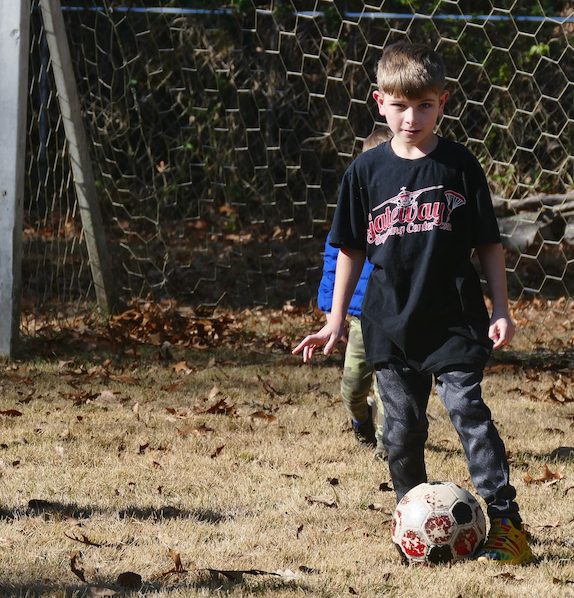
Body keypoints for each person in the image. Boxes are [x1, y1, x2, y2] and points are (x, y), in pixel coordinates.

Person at [293, 42, 533, 565]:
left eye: (424, 105)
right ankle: (414, 523)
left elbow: (488, 244)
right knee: (401, 432)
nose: (412, 116)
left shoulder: (460, 166)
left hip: (453, 319)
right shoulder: (364, 173)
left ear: (443, 102)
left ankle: (509, 525)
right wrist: (335, 320)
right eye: (400, 105)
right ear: (380, 102)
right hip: (389, 324)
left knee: (468, 412)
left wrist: (501, 308)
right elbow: (351, 248)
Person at [318, 128, 392, 460]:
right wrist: (332, 309)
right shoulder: (353, 212)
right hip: (362, 321)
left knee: (392, 390)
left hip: (396, 318)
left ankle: (386, 445)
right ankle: (361, 418)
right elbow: (335, 260)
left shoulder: (406, 212)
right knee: (352, 388)